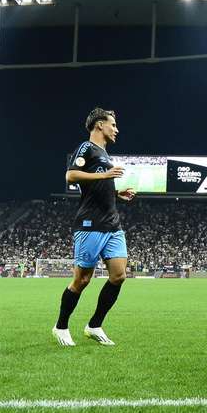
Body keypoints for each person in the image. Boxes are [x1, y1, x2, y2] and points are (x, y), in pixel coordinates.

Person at [52, 108, 137, 347]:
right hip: (90, 224)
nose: (116, 129)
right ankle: (60, 327)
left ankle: (94, 325)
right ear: (99, 125)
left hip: (112, 224)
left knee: (119, 276)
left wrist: (117, 192)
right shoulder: (86, 148)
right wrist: (106, 176)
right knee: (82, 280)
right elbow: (70, 176)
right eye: (113, 124)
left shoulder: (105, 155)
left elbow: (99, 186)